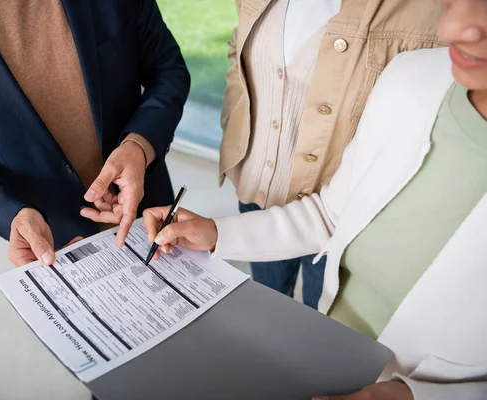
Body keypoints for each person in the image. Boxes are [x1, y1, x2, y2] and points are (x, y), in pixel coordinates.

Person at [144, 0, 487, 398]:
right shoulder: (414, 76)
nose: (451, 27)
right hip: (328, 358)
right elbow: (330, 214)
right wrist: (216, 232)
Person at [0, 0, 189, 267]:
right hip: (51, 246)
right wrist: (11, 215)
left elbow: (168, 70)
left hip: (151, 211)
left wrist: (139, 145)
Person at [220, 0, 444, 307]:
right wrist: (234, 119)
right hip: (258, 185)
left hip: (345, 219)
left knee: (324, 322)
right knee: (266, 301)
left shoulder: (440, 12)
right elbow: (239, 48)